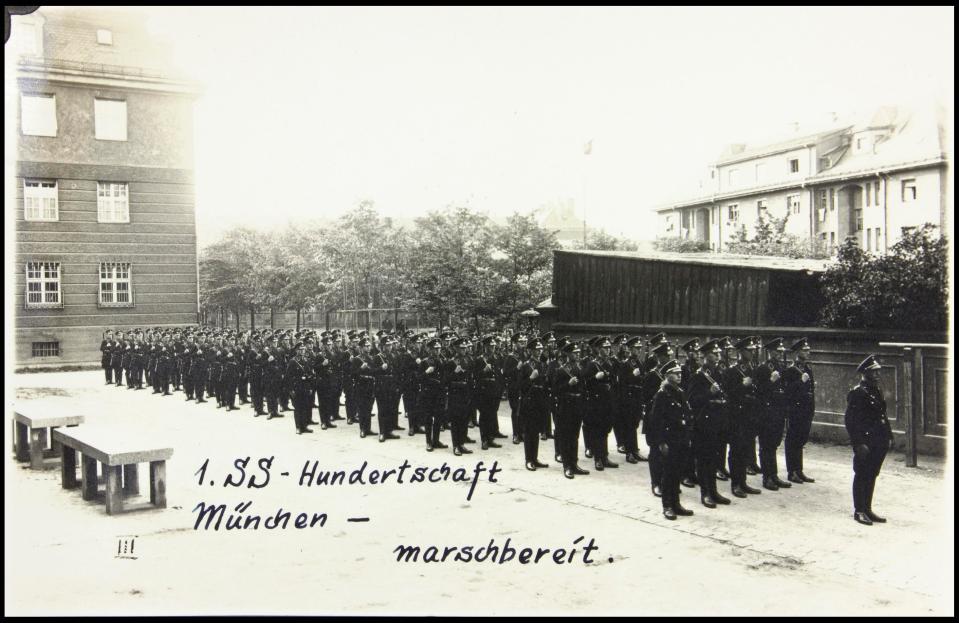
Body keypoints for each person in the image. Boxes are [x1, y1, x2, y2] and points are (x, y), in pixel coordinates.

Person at [844, 355, 892, 526]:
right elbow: (851, 421)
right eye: (874, 372)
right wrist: (858, 444)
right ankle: (859, 510)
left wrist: (888, 437)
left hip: (879, 441)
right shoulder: (858, 393)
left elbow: (882, 416)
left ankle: (868, 508)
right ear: (865, 373)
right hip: (866, 442)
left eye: (878, 371)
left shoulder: (875, 391)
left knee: (872, 474)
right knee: (862, 474)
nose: (878, 375)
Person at [646, 359, 694, 520]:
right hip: (669, 439)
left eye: (680, 373)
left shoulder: (679, 391)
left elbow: (686, 414)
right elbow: (656, 421)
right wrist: (661, 442)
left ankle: (676, 503)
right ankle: (667, 505)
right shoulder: (662, 394)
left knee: (677, 472)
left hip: (681, 438)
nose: (679, 375)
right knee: (668, 473)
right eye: (675, 373)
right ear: (667, 375)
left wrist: (688, 435)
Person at [755, 338, 792, 491]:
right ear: (770, 352)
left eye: (781, 351)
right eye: (776, 351)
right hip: (767, 412)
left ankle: (774, 475)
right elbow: (760, 392)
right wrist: (771, 380)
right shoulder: (763, 368)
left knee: (774, 444)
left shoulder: (782, 367)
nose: (779, 354)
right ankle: (767, 477)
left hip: (778, 411)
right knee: (766, 445)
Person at [553, 341, 589, 479]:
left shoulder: (579, 369)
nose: (577, 354)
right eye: (574, 352)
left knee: (575, 436)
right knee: (565, 436)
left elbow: (583, 389)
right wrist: (568, 384)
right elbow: (555, 390)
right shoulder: (561, 370)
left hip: (577, 406)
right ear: (568, 354)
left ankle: (574, 464)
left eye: (578, 352)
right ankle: (567, 466)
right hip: (566, 406)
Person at [783, 337, 816, 484]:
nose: (808, 352)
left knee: (801, 439)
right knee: (793, 440)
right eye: (804, 350)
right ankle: (792, 472)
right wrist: (800, 382)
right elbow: (787, 391)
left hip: (806, 410)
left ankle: (799, 470)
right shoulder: (790, 370)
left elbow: (811, 391)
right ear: (797, 352)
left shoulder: (807, 368)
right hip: (795, 410)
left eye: (808, 350)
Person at [517, 338, 549, 471]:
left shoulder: (542, 365)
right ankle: (528, 459)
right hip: (529, 402)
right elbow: (520, 386)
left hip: (539, 401)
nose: (539, 351)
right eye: (536, 349)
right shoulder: (525, 366)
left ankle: (535, 458)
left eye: (540, 349)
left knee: (536, 431)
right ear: (530, 351)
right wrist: (531, 378)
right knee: (529, 432)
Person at [287, 342, 315, 434]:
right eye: (300, 349)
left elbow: (310, 374)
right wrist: (291, 389)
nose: (302, 351)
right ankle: (298, 427)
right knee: (298, 408)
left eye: (303, 349)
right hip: (297, 388)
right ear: (296, 350)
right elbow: (289, 377)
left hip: (305, 388)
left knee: (305, 407)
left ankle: (304, 426)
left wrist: (310, 387)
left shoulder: (306, 361)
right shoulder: (293, 361)